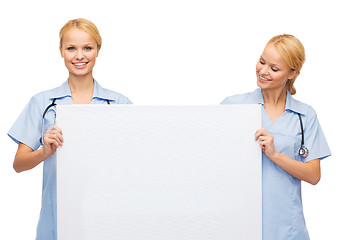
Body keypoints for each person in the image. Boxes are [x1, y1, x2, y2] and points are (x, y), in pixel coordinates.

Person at [8, 18, 132, 240]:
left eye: (87, 48)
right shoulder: (42, 102)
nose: (80, 56)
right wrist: (44, 152)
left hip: (106, 217)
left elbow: (136, 164)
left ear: (98, 50)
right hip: (55, 219)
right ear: (61, 51)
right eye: (71, 48)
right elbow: (18, 165)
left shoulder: (119, 104)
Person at [221, 34, 331, 239]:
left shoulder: (305, 115)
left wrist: (275, 155)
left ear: (292, 73)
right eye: (262, 61)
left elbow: (314, 176)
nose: (263, 71)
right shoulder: (233, 107)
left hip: (288, 227)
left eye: (274, 68)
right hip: (240, 222)